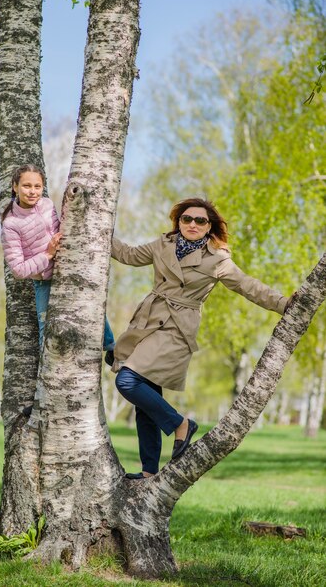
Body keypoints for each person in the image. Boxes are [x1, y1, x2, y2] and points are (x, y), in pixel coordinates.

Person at [111, 197, 292, 479]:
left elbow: (247, 285)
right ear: (178, 222)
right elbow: (129, 255)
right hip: (148, 323)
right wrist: (97, 230)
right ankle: (148, 472)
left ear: (209, 227)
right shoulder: (163, 245)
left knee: (127, 380)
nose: (193, 224)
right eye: (187, 219)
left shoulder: (217, 258)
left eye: (200, 220)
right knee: (145, 400)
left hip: (177, 329)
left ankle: (181, 424)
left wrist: (282, 303)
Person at [1, 164, 115, 358]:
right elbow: (18, 270)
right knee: (47, 328)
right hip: (44, 281)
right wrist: (47, 254)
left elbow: (60, 228)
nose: (32, 191)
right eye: (26, 186)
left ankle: (111, 348)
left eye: (37, 186)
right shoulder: (11, 224)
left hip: (68, 268)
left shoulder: (46, 204)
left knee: (90, 305)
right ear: (15, 187)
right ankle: (45, 369)